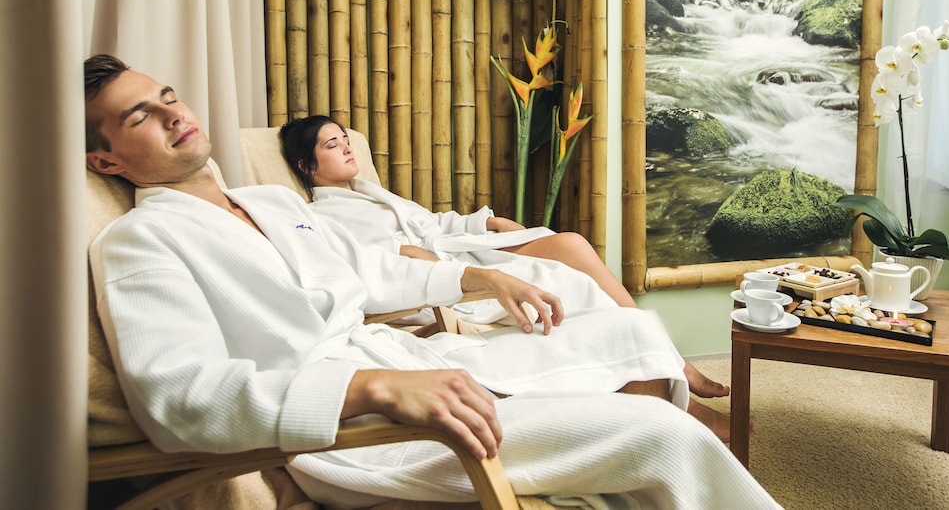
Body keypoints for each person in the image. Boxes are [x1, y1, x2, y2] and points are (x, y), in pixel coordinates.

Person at [84, 54, 780, 509]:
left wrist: (480, 278)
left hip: (407, 360)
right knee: (663, 435)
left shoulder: (265, 202)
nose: (175, 114)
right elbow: (178, 397)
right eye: (140, 116)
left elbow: (368, 272)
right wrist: (370, 388)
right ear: (106, 160)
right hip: (354, 428)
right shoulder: (139, 240)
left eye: (168, 97)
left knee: (631, 333)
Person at [278, 115, 732, 433]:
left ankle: (668, 359)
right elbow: (380, 264)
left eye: (345, 139)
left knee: (571, 244)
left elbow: (433, 223)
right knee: (569, 279)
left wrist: (487, 222)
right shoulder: (324, 216)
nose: (346, 147)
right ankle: (671, 374)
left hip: (460, 250)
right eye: (331, 145)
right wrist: (429, 259)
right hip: (446, 280)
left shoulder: (369, 192)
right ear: (307, 166)